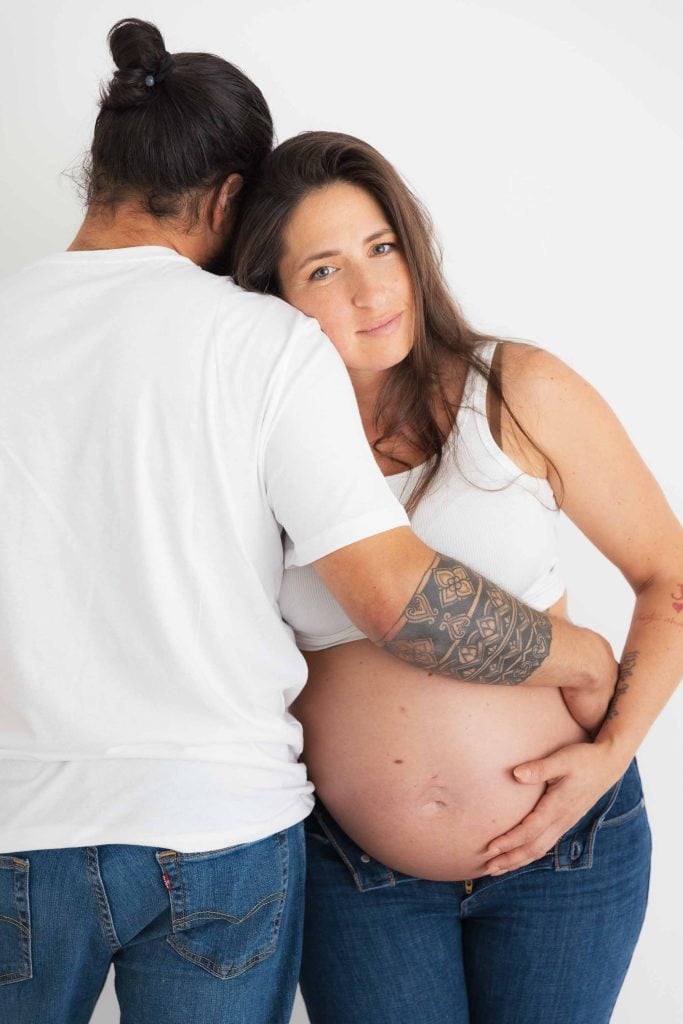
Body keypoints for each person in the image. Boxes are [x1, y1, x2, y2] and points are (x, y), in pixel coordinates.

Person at [0, 19, 621, 1024]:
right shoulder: (263, 341)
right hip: (219, 832)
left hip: (15, 824)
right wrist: (580, 657)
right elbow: (396, 597)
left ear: (100, 173)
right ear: (234, 199)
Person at [231, 131, 683, 1023]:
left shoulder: (515, 389)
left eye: (381, 247)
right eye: (322, 270)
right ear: (272, 295)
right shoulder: (251, 443)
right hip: (355, 870)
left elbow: (666, 578)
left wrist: (608, 758)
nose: (370, 292)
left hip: (566, 855)